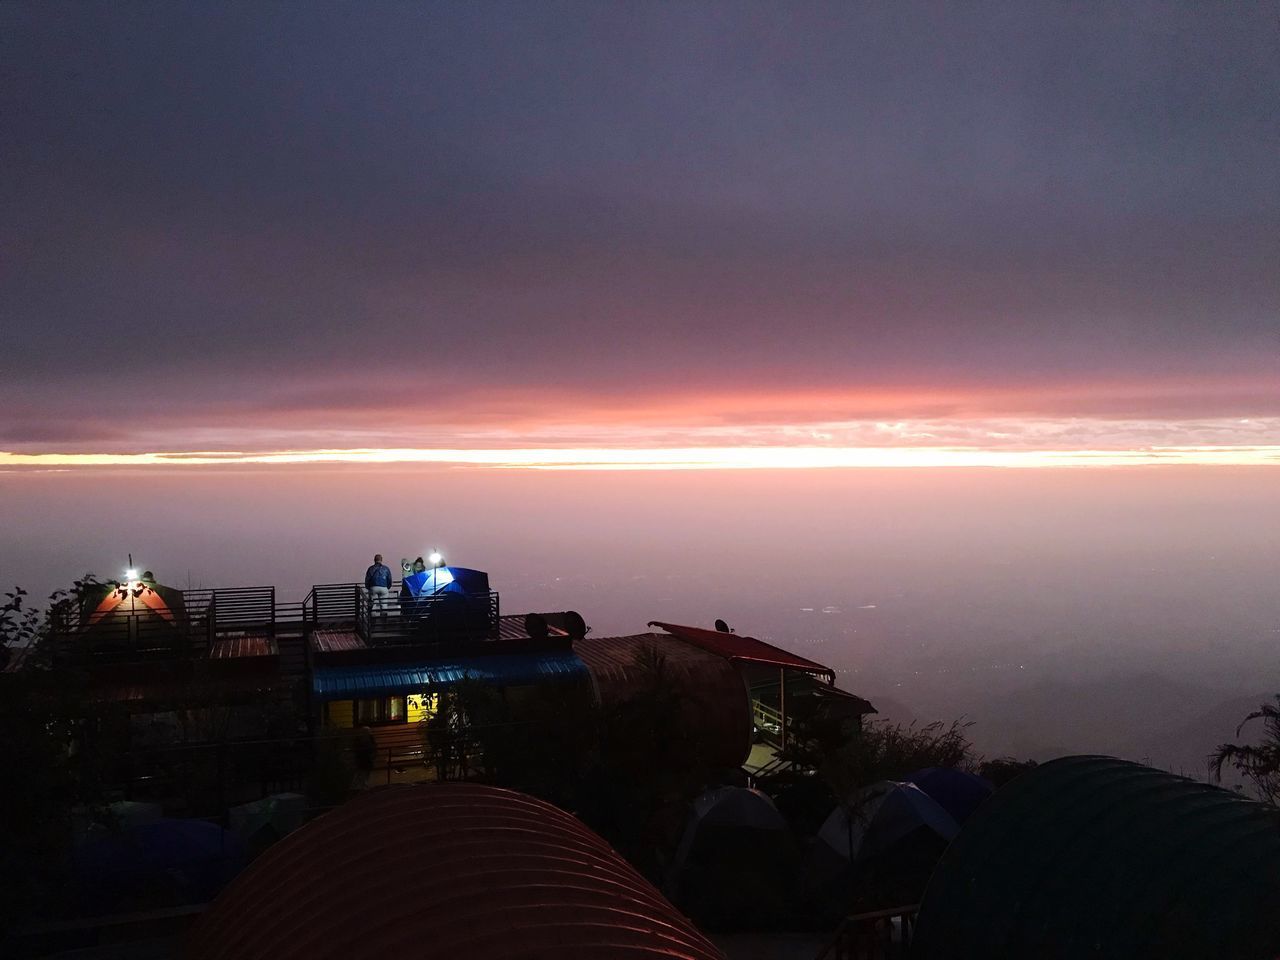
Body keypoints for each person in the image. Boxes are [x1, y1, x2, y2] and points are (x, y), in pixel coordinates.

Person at [364, 554, 393, 618]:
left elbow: (367, 579)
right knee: (384, 605)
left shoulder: (371, 568)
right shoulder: (386, 568)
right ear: (381, 560)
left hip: (373, 587)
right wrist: (387, 587)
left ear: (374, 560)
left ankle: (372, 621)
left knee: (373, 605)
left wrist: (368, 588)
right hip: (384, 588)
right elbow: (389, 580)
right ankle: (384, 621)